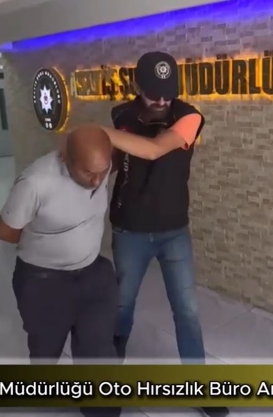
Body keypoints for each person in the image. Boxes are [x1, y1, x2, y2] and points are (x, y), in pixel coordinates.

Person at [98, 51, 229, 417]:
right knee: (122, 308)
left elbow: (155, 150)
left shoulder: (189, 117)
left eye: (167, 93)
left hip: (174, 232)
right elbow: (116, 161)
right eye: (153, 92)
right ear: (138, 86)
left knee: (187, 311)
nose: (160, 100)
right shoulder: (121, 116)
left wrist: (94, 132)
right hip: (129, 229)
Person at [0, 125, 120, 417]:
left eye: (103, 172)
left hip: (94, 274)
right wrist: (48, 242)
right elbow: (2, 231)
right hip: (43, 282)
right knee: (45, 350)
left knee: (98, 349)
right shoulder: (36, 183)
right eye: (88, 173)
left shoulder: (100, 167)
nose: (97, 181)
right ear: (65, 156)